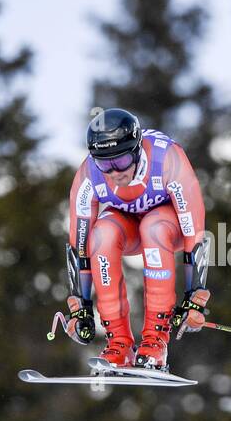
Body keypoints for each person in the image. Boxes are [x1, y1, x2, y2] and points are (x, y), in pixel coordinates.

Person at [63, 108, 211, 371]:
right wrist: (80, 306)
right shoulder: (89, 174)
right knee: (101, 234)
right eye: (104, 164)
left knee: (153, 227)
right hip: (129, 229)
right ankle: (118, 344)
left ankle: (155, 341)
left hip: (168, 228)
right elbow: (79, 244)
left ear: (137, 149)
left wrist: (194, 296)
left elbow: (194, 230)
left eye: (120, 162)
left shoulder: (167, 159)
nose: (114, 172)